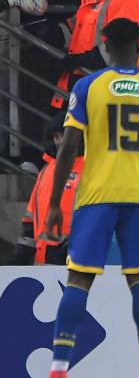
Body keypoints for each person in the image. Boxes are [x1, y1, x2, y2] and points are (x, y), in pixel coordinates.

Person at [41, 18, 139, 378]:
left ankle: (58, 374)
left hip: (97, 196)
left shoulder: (88, 86)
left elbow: (69, 147)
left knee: (79, 278)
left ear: (105, 44)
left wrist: (55, 203)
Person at [51, 0, 139, 111]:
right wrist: (52, 34)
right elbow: (78, 28)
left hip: (108, 93)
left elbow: (122, 46)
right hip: (81, 87)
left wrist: (80, 60)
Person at [11, 112, 83, 265]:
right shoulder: (46, 170)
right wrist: (22, 252)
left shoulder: (91, 168)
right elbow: (30, 216)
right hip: (42, 262)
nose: (58, 141)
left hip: (76, 261)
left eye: (63, 135)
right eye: (56, 136)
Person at [0, 0, 47, 157]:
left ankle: (4, 156)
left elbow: (40, 4)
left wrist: (10, 0)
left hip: (5, 58)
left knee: (4, 107)